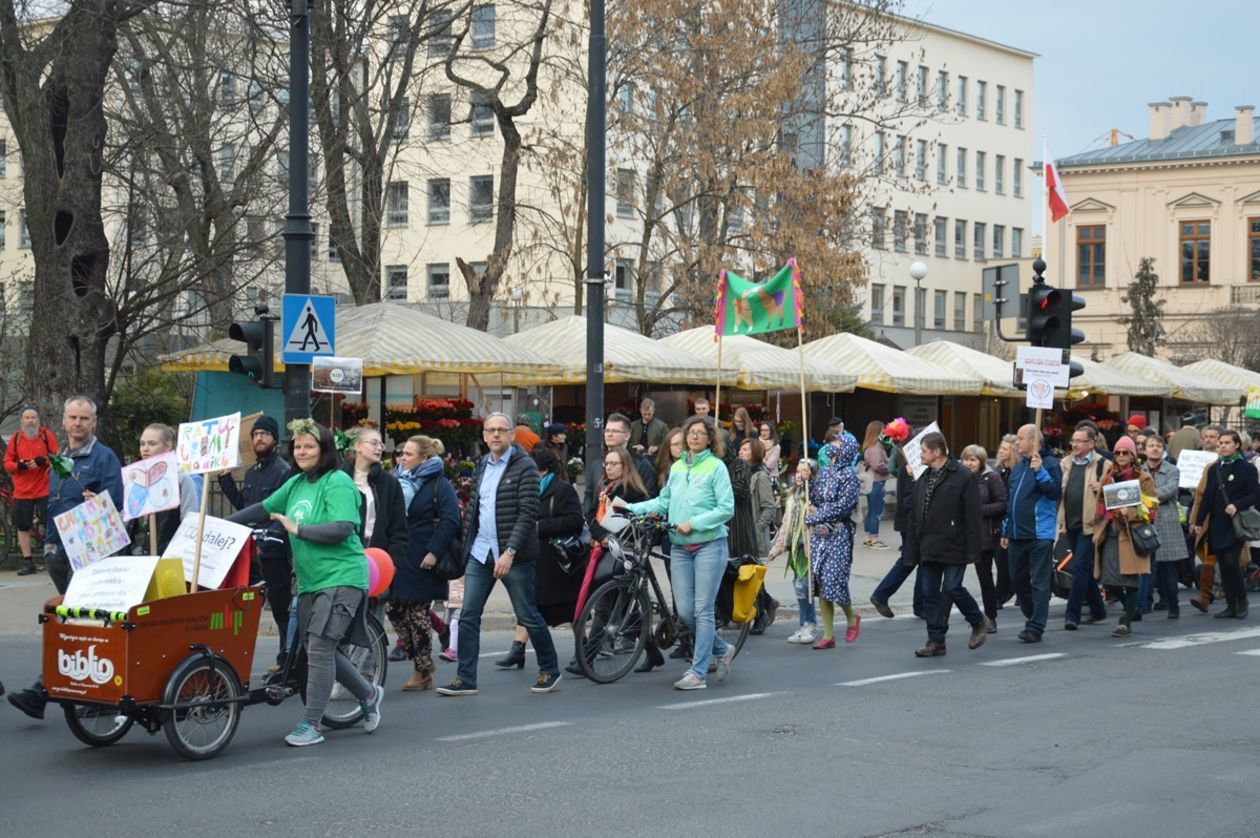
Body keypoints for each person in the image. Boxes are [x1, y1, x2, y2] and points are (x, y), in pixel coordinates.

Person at [227, 419, 383, 747]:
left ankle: (312, 724)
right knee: (317, 648)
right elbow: (263, 509)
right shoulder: (296, 483)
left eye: (309, 446)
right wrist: (219, 523)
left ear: (324, 450)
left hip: (342, 576)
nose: (301, 452)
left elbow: (342, 527)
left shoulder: (337, 482)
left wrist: (299, 530)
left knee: (321, 647)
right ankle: (368, 695)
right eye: (297, 447)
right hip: (311, 581)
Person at [6, 395, 123, 721]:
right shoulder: (59, 457)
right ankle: (57, 691)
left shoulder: (104, 458)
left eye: (84, 419)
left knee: (80, 622)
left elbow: (116, 505)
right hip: (58, 551)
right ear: (63, 421)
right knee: (76, 622)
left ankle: (44, 692)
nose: (77, 423)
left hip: (89, 556)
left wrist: (99, 501)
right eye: (72, 418)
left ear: (94, 422)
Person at [436, 412, 561, 696]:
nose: (495, 435)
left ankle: (549, 669)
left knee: (527, 614)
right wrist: (468, 548)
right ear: (483, 435)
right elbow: (476, 510)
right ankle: (465, 678)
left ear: (512, 435)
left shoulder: (525, 466)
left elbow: (528, 513)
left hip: (512, 555)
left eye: (501, 430)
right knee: (468, 615)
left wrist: (510, 551)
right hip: (481, 552)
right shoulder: (481, 464)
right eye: (490, 430)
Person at [625, 415, 735, 690]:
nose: (694, 437)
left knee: (702, 610)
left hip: (709, 544)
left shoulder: (716, 467)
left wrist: (694, 523)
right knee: (685, 612)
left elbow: (726, 509)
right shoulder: (677, 468)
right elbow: (664, 501)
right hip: (681, 547)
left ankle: (697, 673)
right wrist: (629, 508)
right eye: (691, 432)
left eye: (700, 433)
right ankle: (722, 648)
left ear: (710, 438)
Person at [497, 447, 584, 670]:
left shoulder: (562, 489)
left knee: (570, 608)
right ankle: (518, 649)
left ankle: (583, 650)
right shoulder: (524, 488)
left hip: (558, 561)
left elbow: (575, 520)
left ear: (542, 469)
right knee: (528, 604)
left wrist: (539, 527)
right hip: (533, 557)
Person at [904, 433, 989, 656]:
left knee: (952, 588)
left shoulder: (962, 476)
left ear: (936, 452)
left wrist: (974, 549)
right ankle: (936, 640)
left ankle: (978, 620)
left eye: (923, 451)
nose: (920, 455)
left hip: (955, 544)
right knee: (929, 593)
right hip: (929, 545)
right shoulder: (924, 476)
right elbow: (915, 512)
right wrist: (912, 548)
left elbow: (973, 514)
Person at [219, 414, 293, 658]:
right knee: (245, 606)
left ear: (275, 439)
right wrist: (225, 479)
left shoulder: (285, 472)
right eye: (255, 434)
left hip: (273, 551)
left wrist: (267, 541)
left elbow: (283, 512)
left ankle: (286, 657)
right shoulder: (251, 473)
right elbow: (244, 507)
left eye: (264, 434)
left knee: (280, 606)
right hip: (250, 549)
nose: (259, 438)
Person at [391, 435, 459, 691]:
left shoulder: (440, 484)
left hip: (424, 560)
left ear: (425, 458)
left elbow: (451, 521)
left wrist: (434, 552)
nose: (402, 458)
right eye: (402, 453)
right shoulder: (398, 479)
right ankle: (421, 660)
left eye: (408, 454)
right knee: (394, 609)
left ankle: (422, 672)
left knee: (418, 613)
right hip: (400, 557)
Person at [581, 445, 655, 673]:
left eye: (614, 464)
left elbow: (635, 522)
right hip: (604, 551)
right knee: (631, 607)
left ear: (625, 466)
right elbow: (591, 516)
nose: (609, 468)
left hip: (627, 554)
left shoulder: (634, 492)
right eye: (607, 464)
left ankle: (585, 659)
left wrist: (610, 535)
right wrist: (602, 536)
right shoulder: (604, 488)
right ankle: (653, 652)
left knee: (607, 605)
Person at [343, 425, 409, 671]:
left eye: (381, 443)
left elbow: (399, 528)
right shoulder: (339, 479)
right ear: (357, 446)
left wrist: (393, 563)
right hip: (347, 553)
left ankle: (366, 672)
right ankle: (343, 671)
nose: (379, 447)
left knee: (372, 616)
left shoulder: (389, 484)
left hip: (376, 556)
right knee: (344, 614)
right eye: (373, 442)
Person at [1001, 424, 1062, 644]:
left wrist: (1041, 471)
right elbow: (1011, 501)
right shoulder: (1018, 468)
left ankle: (1036, 626)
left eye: (1020, 438)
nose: (1016, 443)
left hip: (1039, 535)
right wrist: (1007, 528)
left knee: (1039, 581)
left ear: (1033, 441)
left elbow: (1054, 492)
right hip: (1017, 534)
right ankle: (1033, 612)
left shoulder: (1050, 464)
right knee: (1017, 580)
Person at [1092, 436, 1156, 637]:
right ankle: (1131, 607)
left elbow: (1152, 507)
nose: (1121, 456)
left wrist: (1134, 511)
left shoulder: (1143, 478)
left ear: (1132, 455)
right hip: (1110, 532)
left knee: (1130, 579)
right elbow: (1100, 503)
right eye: (1118, 452)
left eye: (1125, 452)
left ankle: (1126, 622)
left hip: (1131, 534)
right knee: (1109, 580)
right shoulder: (1108, 476)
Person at [1193, 430, 1260, 619]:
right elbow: (1206, 497)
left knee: (1231, 562)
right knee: (1223, 565)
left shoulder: (1246, 468)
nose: (1222, 446)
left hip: (1235, 524)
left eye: (1227, 443)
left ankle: (1242, 600)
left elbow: (1256, 494)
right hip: (1216, 524)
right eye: (1220, 443)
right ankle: (1231, 605)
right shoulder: (1215, 468)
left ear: (1237, 445)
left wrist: (1236, 505)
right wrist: (1199, 521)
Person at [806, 433, 861, 649]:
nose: (831, 447)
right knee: (819, 582)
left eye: (836, 443)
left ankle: (850, 616)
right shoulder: (826, 471)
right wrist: (808, 483)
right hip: (820, 535)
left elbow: (842, 507)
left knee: (833, 580)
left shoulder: (850, 476)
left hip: (839, 534)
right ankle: (828, 635)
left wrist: (816, 516)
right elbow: (817, 499)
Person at [1057, 424, 1111, 631]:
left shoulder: (1103, 465)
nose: (1075, 444)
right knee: (1084, 570)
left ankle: (1073, 615)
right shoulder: (1065, 463)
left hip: (1091, 525)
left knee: (1079, 567)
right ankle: (1098, 609)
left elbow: (1117, 493)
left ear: (1091, 443)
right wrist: (1061, 522)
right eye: (1073, 440)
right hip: (1070, 523)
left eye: (1080, 441)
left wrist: (1103, 488)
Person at [870, 425, 926, 619]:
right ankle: (882, 594)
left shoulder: (911, 465)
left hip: (910, 522)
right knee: (911, 560)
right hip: (913, 523)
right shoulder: (913, 467)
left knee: (918, 560)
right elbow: (911, 499)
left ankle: (919, 604)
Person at [4, 405, 57, 576]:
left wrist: (44, 460)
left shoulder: (46, 435)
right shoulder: (15, 439)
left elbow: (58, 457)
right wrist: (19, 465)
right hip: (22, 491)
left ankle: (54, 559)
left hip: (44, 488)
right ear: (21, 420)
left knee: (50, 523)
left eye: (33, 417)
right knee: (23, 527)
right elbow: (7, 463)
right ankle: (28, 562)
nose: (30, 421)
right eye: (27, 418)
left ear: (38, 419)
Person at [769, 459, 817, 643]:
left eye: (804, 472)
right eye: (797, 471)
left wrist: (810, 490)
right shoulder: (792, 497)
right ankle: (803, 625)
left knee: (805, 588)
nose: (799, 475)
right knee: (799, 588)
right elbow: (786, 525)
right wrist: (777, 548)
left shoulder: (814, 496)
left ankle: (811, 625)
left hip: (809, 550)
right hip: (796, 550)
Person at [135, 423, 201, 553]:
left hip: (168, 558)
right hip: (138, 558)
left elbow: (190, 525)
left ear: (168, 446)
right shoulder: (136, 481)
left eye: (152, 444)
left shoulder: (181, 480)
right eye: (142, 444)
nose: (145, 449)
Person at [961, 444, 1006, 633]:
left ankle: (991, 617)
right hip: (961, 536)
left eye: (973, 459)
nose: (968, 463)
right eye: (966, 459)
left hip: (984, 536)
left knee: (985, 578)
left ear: (981, 461)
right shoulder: (960, 478)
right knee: (952, 581)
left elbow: (1002, 504)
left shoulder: (991, 477)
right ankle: (942, 620)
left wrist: (978, 511)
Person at [1142, 434, 1187, 619]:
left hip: (1166, 522)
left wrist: (1144, 496)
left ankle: (1173, 604)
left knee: (1168, 568)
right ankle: (1143, 604)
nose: (1155, 448)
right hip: (1144, 521)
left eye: (1158, 446)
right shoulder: (1140, 469)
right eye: (1151, 445)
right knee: (1146, 567)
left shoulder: (1172, 470)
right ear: (1144, 449)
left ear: (1163, 449)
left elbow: (1168, 491)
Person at [1189, 424, 1229, 612]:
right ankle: (1205, 595)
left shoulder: (1236, 464)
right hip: (1210, 519)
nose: (1210, 440)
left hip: (1229, 518)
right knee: (1208, 558)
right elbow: (1201, 494)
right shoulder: (1206, 464)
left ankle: (1233, 596)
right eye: (1207, 436)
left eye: (1215, 437)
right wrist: (1195, 520)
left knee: (1230, 561)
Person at [739, 437, 777, 557]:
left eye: (745, 449)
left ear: (754, 453)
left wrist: (756, 529)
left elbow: (769, 508)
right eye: (740, 449)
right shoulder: (738, 473)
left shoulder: (760, 476)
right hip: (738, 536)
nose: (740, 452)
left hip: (754, 540)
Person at [859, 420, 891, 549]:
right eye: (883, 430)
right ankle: (874, 538)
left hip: (873, 481)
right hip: (877, 481)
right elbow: (878, 465)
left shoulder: (870, 447)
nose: (884, 432)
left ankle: (868, 537)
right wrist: (890, 467)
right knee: (876, 511)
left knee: (871, 510)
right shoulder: (875, 448)